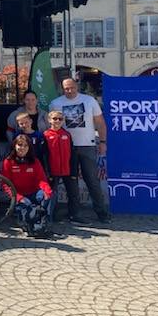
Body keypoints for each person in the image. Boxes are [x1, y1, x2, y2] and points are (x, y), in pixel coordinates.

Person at [49, 78, 110, 223]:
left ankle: (102, 213)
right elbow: (51, 124)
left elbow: (100, 123)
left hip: (87, 145)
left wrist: (102, 142)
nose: (69, 91)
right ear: (62, 88)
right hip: (66, 147)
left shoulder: (89, 101)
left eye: (72, 88)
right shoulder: (55, 103)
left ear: (77, 87)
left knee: (92, 180)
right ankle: (74, 214)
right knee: (71, 182)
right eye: (66, 88)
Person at [0, 135, 53, 237]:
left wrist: (47, 191)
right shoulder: (8, 161)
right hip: (18, 195)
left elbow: (42, 180)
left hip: (34, 192)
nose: (22, 148)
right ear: (14, 146)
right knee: (26, 205)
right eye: (20, 145)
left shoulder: (35, 161)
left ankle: (44, 221)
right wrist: (18, 197)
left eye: (25, 145)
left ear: (29, 147)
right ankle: (26, 221)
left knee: (46, 196)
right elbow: (5, 184)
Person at [43, 109, 83, 224]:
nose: (57, 121)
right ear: (49, 120)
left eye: (60, 119)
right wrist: (47, 172)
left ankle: (74, 215)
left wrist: (74, 171)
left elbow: (73, 154)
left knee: (73, 193)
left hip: (68, 170)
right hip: (53, 171)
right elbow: (44, 156)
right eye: (54, 118)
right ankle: (50, 216)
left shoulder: (67, 134)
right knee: (51, 194)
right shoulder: (45, 135)